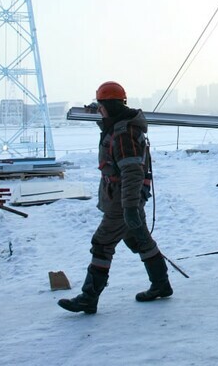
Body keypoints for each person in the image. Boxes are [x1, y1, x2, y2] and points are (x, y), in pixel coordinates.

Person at [58, 80, 173, 314]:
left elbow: (132, 171)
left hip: (123, 200)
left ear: (109, 106)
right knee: (140, 240)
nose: (100, 111)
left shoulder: (123, 133)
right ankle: (161, 283)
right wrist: (95, 109)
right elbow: (108, 126)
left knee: (102, 244)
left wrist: (129, 207)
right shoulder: (120, 124)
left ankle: (89, 297)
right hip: (125, 198)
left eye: (101, 106)